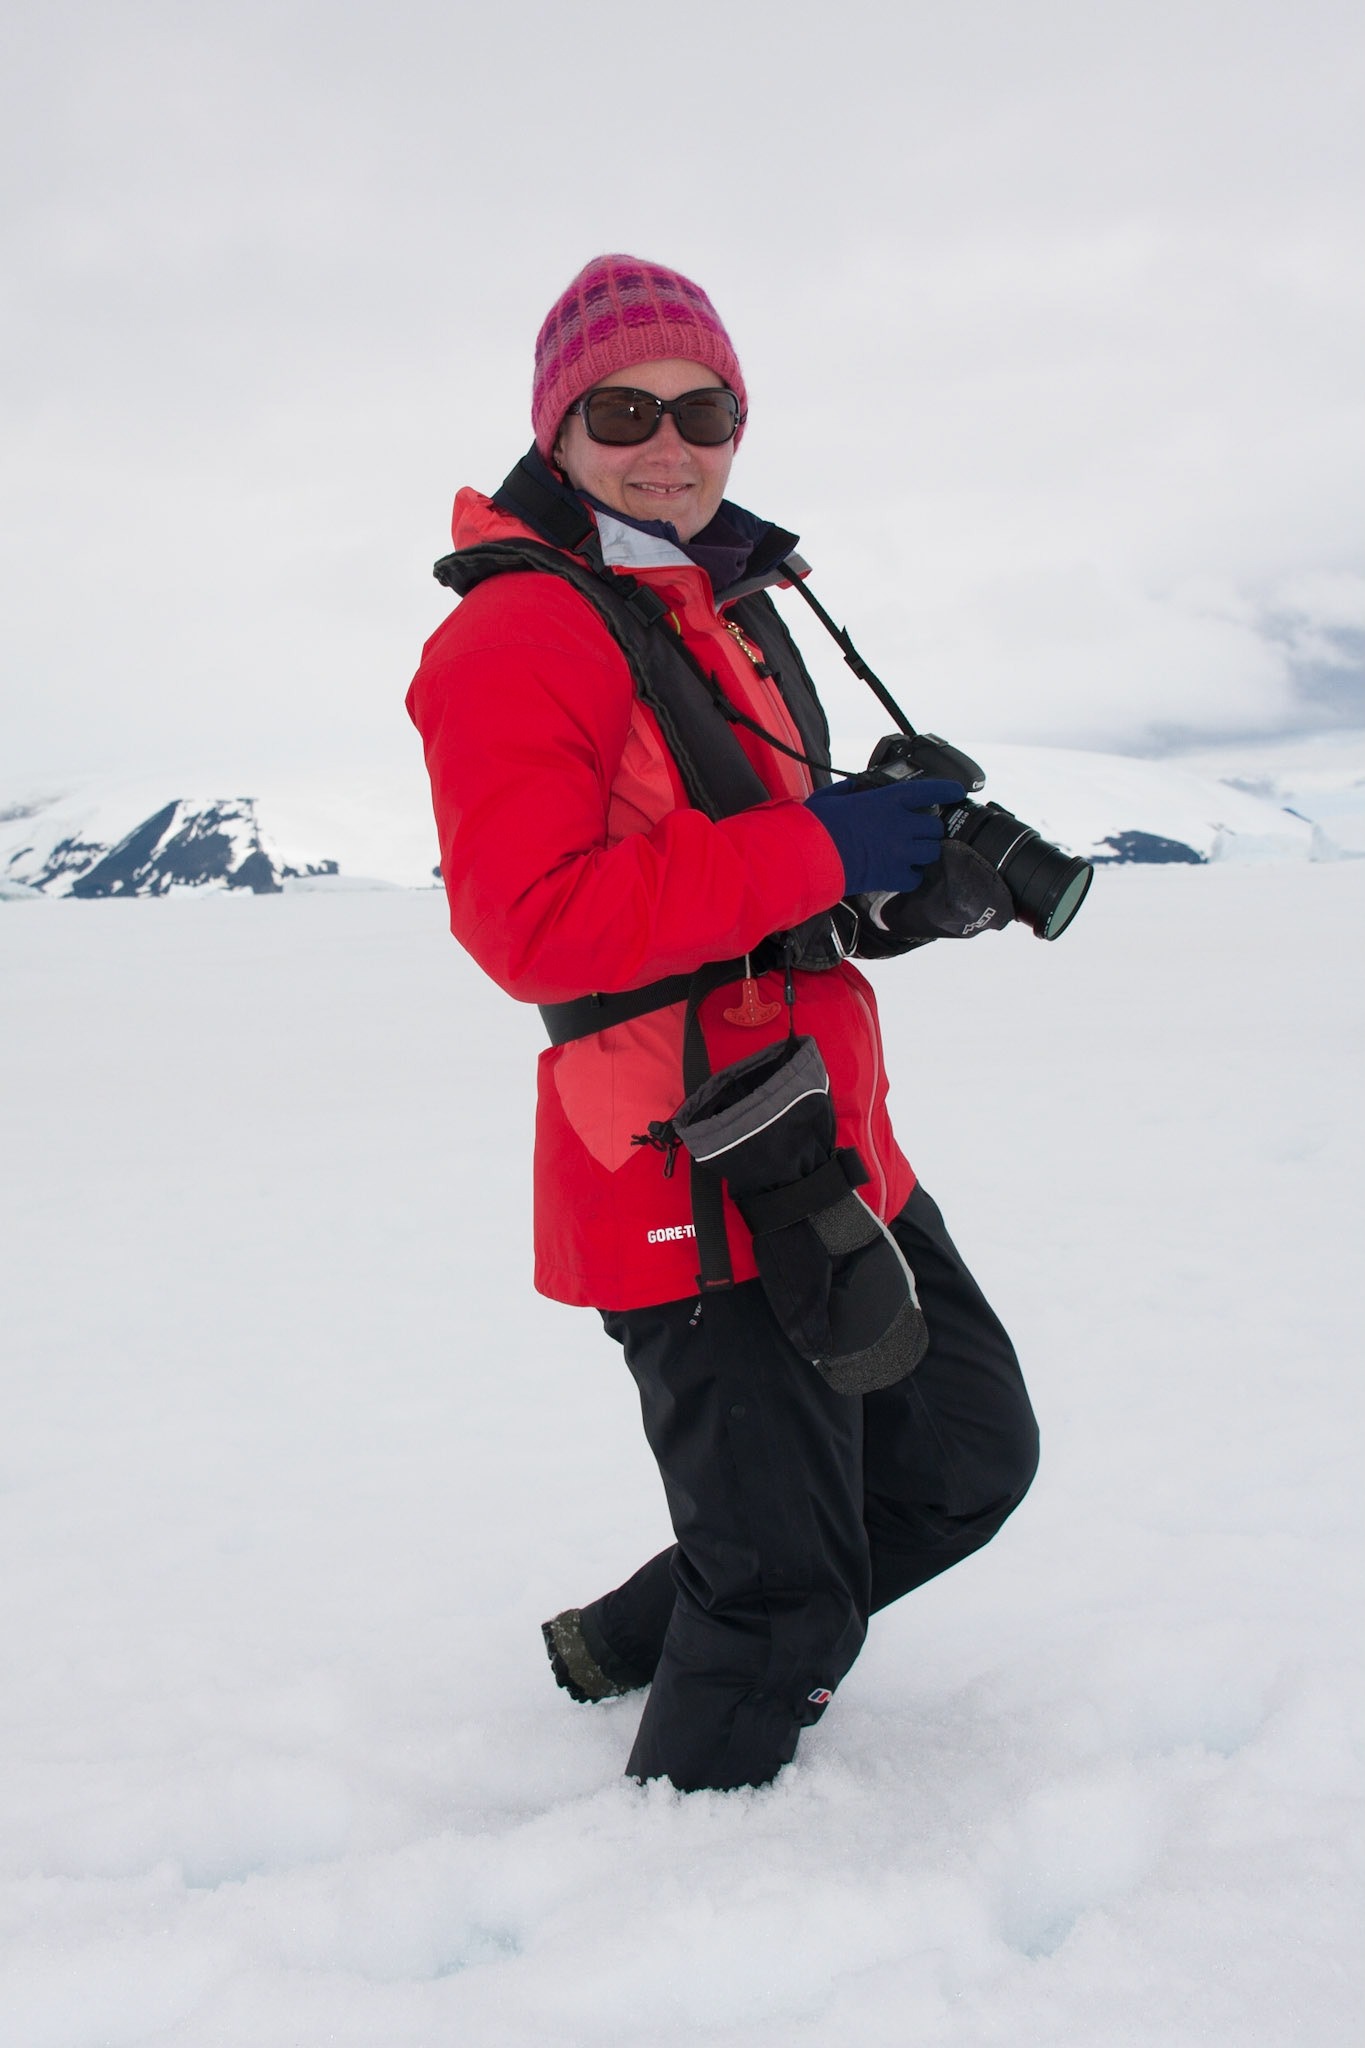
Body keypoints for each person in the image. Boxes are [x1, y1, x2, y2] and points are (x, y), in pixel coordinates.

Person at [407, 254, 1038, 1794]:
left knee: (961, 1456)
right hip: (681, 1160)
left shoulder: (724, 608)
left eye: (704, 410)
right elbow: (530, 921)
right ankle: (679, 1908)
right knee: (781, 1593)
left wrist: (902, 884)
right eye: (621, 410)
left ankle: (625, 1643)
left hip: (821, 1127)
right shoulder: (518, 637)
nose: (666, 443)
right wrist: (827, 848)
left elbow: (751, 886)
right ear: (556, 432)